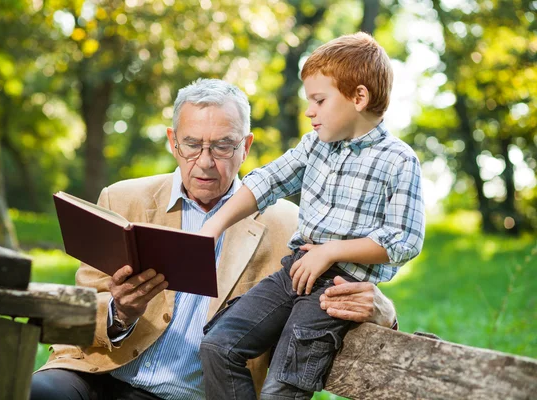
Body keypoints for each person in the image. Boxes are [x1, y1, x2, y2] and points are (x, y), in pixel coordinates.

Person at [30, 78, 398, 400]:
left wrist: (383, 311)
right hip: (97, 376)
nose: (205, 162)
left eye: (222, 146)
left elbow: (338, 291)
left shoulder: (292, 226)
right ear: (173, 142)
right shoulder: (122, 199)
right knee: (31, 392)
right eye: (192, 145)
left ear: (246, 146)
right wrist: (118, 312)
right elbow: (83, 310)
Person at [199, 33, 425, 400]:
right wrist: (213, 225)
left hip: (337, 292)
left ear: (359, 97)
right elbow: (267, 180)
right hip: (297, 269)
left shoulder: (398, 160)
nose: (309, 111)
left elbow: (404, 240)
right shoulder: (315, 146)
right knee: (218, 346)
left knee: (281, 390)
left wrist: (331, 251)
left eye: (319, 100)